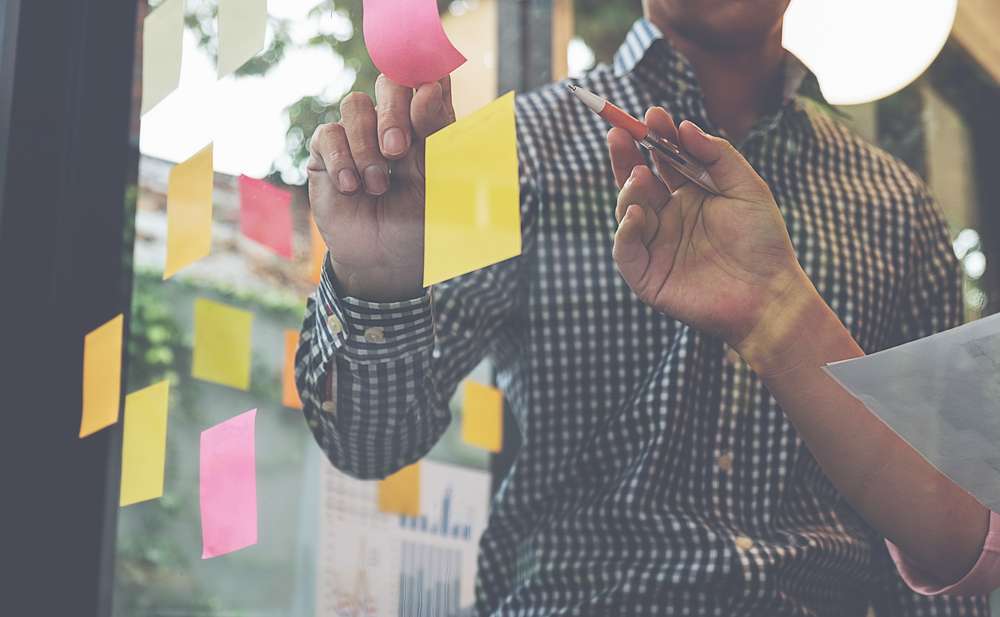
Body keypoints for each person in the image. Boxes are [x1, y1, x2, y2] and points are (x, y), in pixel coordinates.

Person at [296, 0, 990, 613]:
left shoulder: (898, 207)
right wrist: (376, 287)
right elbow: (369, 440)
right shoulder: (511, 147)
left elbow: (945, 544)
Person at [608, 115, 1000, 597]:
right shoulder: (530, 144)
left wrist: (778, 311)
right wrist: (776, 310)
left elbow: (970, 541)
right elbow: (973, 537)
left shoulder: (895, 200)